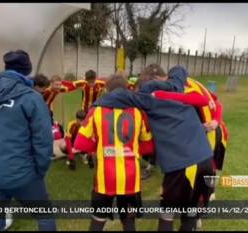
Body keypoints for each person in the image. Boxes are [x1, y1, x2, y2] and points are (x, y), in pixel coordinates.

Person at [94, 65, 214, 231]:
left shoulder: (146, 97)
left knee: (167, 214)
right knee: (191, 212)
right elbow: (180, 70)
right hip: (206, 159)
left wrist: (97, 103)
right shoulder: (177, 86)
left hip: (180, 163)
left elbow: (119, 96)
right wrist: (171, 80)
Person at [0, 50, 56, 231]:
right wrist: (40, 169)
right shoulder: (31, 98)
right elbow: (44, 140)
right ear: (27, 70)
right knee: (45, 215)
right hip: (22, 174)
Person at [74, 74, 154, 231]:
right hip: (130, 177)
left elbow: (80, 143)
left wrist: (100, 147)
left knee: (98, 221)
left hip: (106, 178)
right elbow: (148, 144)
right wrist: (131, 150)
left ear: (107, 89)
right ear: (128, 88)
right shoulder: (138, 111)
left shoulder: (96, 110)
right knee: (129, 221)